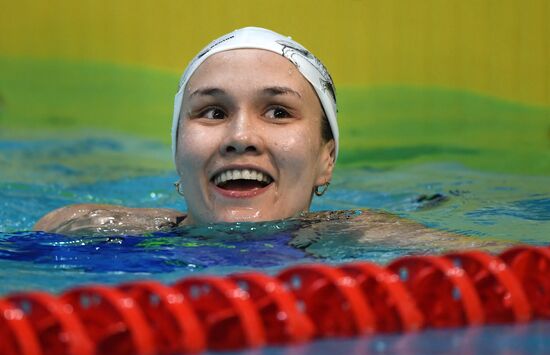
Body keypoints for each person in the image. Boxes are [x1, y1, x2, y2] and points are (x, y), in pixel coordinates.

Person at [32, 27, 506, 253]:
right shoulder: (85, 230)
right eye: (213, 112)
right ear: (178, 153)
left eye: (278, 112)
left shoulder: (364, 237)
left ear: (327, 161)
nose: (240, 137)